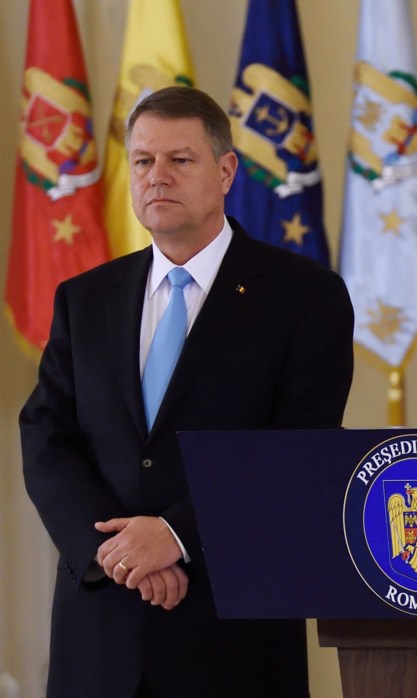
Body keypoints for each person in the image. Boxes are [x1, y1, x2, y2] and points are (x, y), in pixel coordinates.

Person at [20, 86, 354, 698]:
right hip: (100, 634)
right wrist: (117, 554)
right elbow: (46, 439)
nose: (158, 176)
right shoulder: (85, 298)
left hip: (230, 642)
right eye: (143, 161)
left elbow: (299, 452)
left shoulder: (304, 297)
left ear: (226, 172)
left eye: (180, 159)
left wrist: (174, 536)